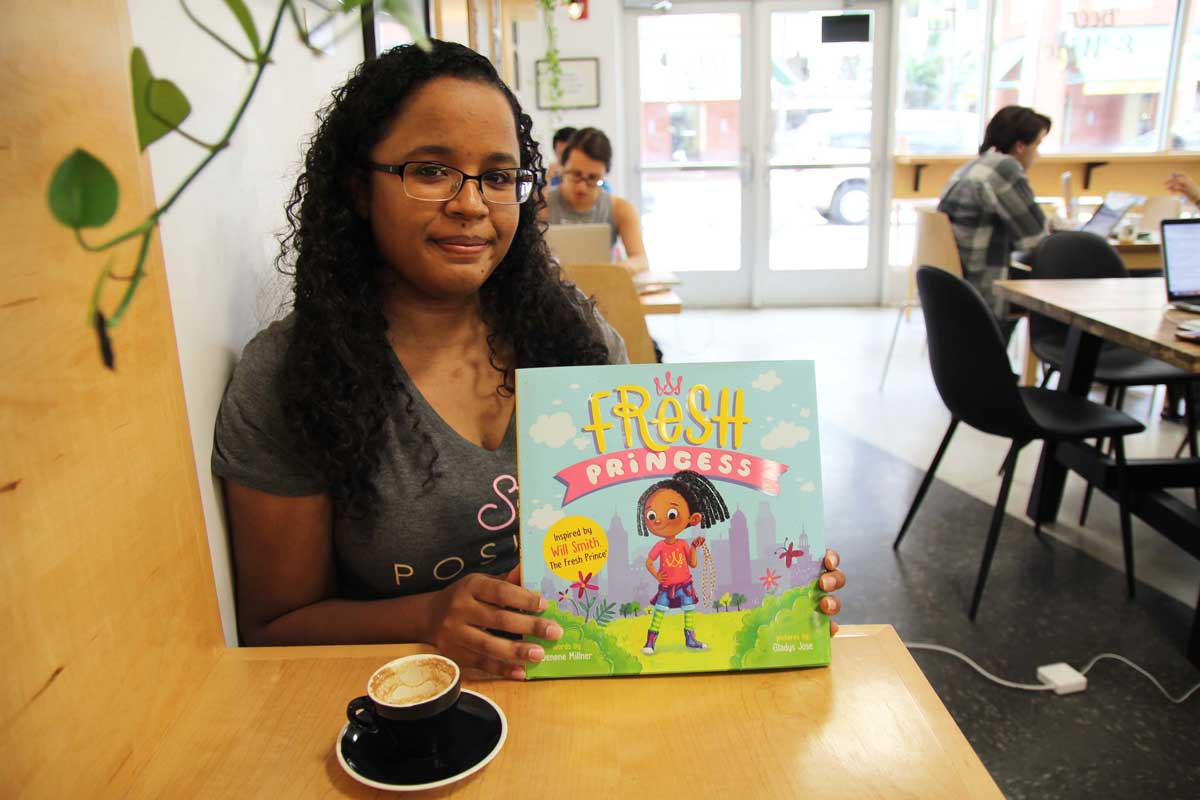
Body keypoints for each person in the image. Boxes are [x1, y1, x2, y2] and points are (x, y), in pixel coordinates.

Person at [210, 41, 848, 679]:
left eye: (497, 176)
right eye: (430, 170)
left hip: (591, 697)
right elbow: (273, 624)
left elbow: (660, 506)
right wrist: (426, 617)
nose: (472, 204)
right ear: (357, 188)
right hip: (417, 719)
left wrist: (781, 587)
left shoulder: (576, 336)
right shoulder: (291, 376)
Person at [938, 105, 1054, 338]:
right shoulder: (1004, 168)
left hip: (954, 287)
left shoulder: (971, 167)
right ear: (1020, 146)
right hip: (983, 288)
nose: (1038, 155)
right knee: (1063, 278)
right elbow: (1036, 239)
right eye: (1037, 146)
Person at [637, 471, 730, 655]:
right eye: (652, 515)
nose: (659, 520)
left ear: (692, 518)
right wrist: (656, 574)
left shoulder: (682, 544)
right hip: (666, 586)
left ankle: (691, 639)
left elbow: (693, 564)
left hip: (685, 585)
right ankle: (650, 643)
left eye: (671, 514)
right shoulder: (660, 546)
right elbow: (649, 562)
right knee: (659, 613)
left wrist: (694, 547)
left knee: (689, 611)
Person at [543, 127, 649, 274]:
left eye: (593, 178)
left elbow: (641, 259)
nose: (582, 187)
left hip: (602, 287)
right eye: (575, 174)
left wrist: (621, 268)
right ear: (562, 167)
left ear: (604, 174)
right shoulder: (542, 206)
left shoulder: (620, 209)